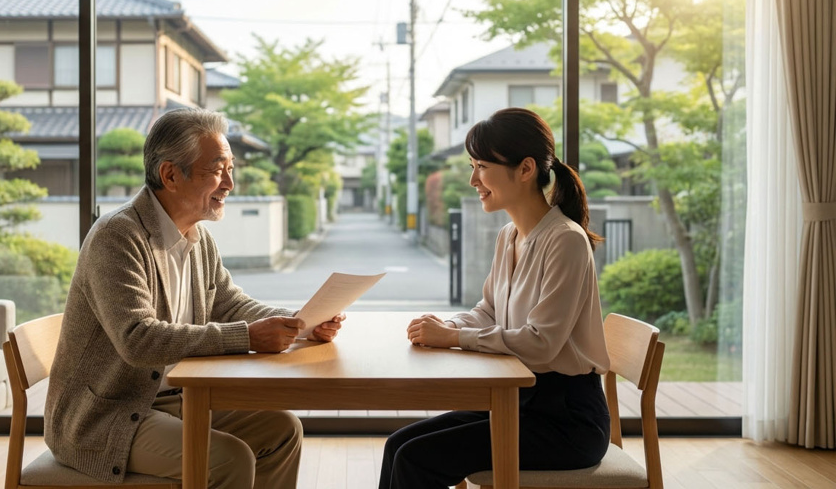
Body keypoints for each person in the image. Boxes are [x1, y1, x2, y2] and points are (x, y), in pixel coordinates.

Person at [45, 108, 345, 489]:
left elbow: (232, 305)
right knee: (229, 460)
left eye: (230, 169)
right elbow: (138, 339)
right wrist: (248, 337)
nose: (230, 184)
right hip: (107, 415)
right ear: (170, 175)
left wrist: (300, 321)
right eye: (218, 170)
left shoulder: (199, 239)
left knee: (283, 430)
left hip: (174, 399)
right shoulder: (116, 237)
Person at [379, 108, 611, 489]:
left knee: (415, 459)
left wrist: (453, 337)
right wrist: (447, 326)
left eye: (482, 167)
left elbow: (541, 343)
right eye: (473, 166)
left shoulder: (566, 240)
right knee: (398, 446)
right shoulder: (509, 235)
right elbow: (488, 310)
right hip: (518, 401)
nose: (473, 179)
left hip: (567, 421)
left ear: (525, 169)